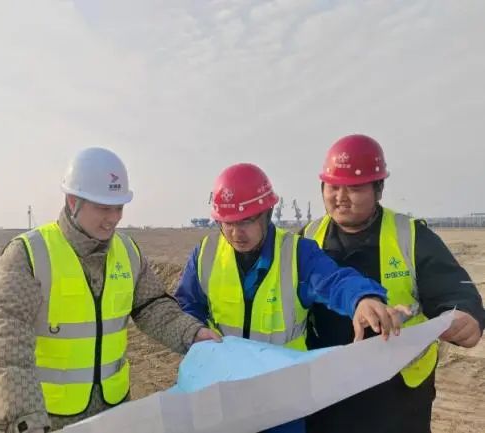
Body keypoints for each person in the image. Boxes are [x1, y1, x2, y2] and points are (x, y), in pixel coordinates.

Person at [0, 147, 219, 433]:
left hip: (115, 412)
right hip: (50, 419)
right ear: (73, 201)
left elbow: (153, 307)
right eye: (103, 208)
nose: (114, 218)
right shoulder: (29, 255)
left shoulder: (127, 252)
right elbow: (6, 343)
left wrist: (192, 333)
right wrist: (23, 419)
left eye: (119, 207)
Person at [175, 162, 406, 433]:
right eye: (228, 223)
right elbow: (187, 305)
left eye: (247, 221)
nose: (237, 233)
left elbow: (334, 280)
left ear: (267, 214)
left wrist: (362, 298)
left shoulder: (297, 254)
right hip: (224, 394)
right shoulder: (206, 254)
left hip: (282, 400)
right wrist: (195, 335)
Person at [303, 134, 485, 433]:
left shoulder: (411, 236)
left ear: (378, 189)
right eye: (333, 187)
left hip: (397, 397)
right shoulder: (307, 239)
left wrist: (467, 314)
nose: (341, 197)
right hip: (328, 394)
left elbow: (453, 288)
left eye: (354, 188)